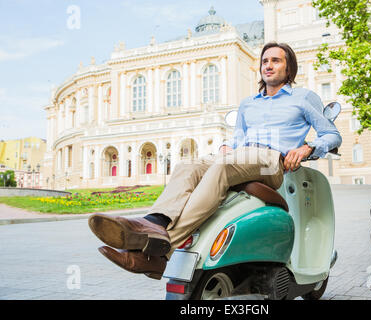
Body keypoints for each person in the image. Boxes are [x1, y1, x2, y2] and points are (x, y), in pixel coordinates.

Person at [88, 42, 342, 280]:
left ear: (289, 68)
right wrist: (227, 146)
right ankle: (155, 222)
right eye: (265, 60)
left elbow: (331, 134)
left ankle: (162, 249)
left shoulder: (303, 98)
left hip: (269, 160)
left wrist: (308, 147)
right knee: (186, 166)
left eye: (276, 60)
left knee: (222, 167)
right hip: (239, 156)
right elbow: (239, 138)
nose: (268, 64)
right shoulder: (247, 104)